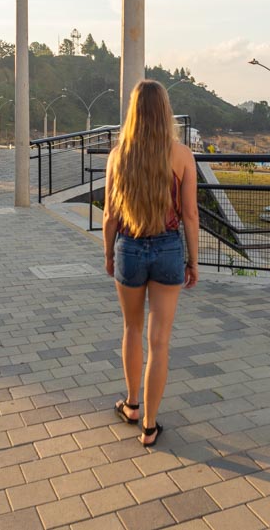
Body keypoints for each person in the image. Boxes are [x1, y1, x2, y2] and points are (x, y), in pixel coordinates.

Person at [103, 81, 199, 448]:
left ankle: (130, 405)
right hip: (169, 248)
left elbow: (110, 214)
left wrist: (110, 253)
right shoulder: (182, 155)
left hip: (129, 245)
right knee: (159, 341)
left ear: (134, 112)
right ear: (165, 112)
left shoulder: (118, 156)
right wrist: (193, 260)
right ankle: (150, 426)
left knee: (131, 329)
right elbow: (190, 214)